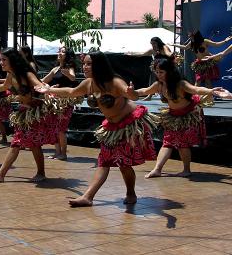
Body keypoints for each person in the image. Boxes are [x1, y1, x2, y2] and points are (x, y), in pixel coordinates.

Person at [36, 52, 159, 206]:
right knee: (104, 161)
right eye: (84, 64)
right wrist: (48, 90)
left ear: (99, 65)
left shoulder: (114, 82)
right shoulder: (89, 83)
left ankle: (130, 193)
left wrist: (132, 92)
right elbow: (71, 92)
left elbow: (133, 97)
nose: (85, 67)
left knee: (123, 164)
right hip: (112, 127)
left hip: (128, 126)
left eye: (89, 64)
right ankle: (88, 197)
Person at [126, 55, 225, 178]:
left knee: (182, 144)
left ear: (170, 71)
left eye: (161, 72)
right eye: (156, 72)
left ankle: (186, 170)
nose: (158, 75)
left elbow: (196, 89)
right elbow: (145, 91)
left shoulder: (181, 84)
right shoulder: (159, 85)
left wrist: (211, 91)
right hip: (173, 116)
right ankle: (157, 169)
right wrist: (133, 92)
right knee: (167, 142)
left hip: (187, 115)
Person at [0, 48, 59, 183]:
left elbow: (40, 85)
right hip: (24, 112)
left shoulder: (26, 74)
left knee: (26, 144)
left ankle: (3, 175)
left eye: (4, 60)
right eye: (0, 60)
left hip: (34, 114)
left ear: (12, 60)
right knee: (26, 144)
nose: (1, 63)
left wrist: (47, 90)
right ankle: (33, 173)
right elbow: (4, 86)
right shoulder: (11, 74)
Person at [171, 30, 232, 105]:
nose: (189, 38)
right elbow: (185, 47)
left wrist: (225, 40)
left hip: (207, 62)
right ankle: (194, 98)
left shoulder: (205, 41)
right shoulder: (192, 43)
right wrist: (174, 44)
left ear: (195, 36)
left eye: (191, 36)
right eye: (189, 37)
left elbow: (216, 44)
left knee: (208, 81)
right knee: (198, 81)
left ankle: (209, 99)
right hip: (199, 64)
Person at [41, 46, 77, 160]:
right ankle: (57, 152)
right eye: (59, 51)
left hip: (65, 102)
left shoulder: (69, 67)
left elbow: (73, 78)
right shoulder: (55, 69)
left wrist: (67, 73)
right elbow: (43, 81)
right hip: (53, 101)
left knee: (61, 128)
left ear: (67, 55)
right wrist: (47, 86)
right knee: (53, 127)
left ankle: (63, 154)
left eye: (63, 52)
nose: (59, 53)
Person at [126, 37, 173, 101]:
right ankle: (150, 96)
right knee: (154, 83)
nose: (153, 45)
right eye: (152, 44)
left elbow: (168, 53)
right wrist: (131, 54)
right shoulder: (152, 50)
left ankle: (168, 96)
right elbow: (142, 54)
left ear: (158, 42)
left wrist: (172, 55)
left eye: (154, 43)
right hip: (157, 69)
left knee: (167, 82)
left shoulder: (164, 47)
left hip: (166, 69)